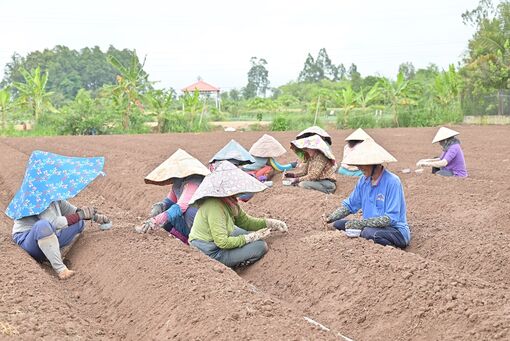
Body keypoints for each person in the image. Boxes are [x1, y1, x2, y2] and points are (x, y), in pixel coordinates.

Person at [5, 151, 110, 280]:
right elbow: (54, 223)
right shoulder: (36, 195)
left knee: (79, 222)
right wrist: (81, 215)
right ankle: (60, 269)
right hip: (29, 240)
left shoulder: (53, 197)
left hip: (48, 236)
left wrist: (95, 217)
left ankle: (56, 252)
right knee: (43, 226)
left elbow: (73, 212)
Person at [188, 161, 288, 268]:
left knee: (249, 233)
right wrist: (248, 239)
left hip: (219, 240)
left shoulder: (229, 200)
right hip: (210, 251)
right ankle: (236, 266)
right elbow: (222, 242)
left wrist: (269, 223)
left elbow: (246, 222)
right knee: (260, 246)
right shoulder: (215, 207)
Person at [326, 138, 411, 248]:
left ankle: (393, 249)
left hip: (395, 230)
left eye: (362, 164)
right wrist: (331, 217)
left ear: (375, 164)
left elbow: (389, 219)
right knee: (339, 224)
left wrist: (361, 224)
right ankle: (363, 235)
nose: (359, 167)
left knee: (370, 233)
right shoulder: (363, 181)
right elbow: (350, 205)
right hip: (370, 226)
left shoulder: (393, 182)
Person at [135, 149, 210, 244]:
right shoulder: (178, 182)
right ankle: (185, 239)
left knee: (187, 211)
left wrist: (155, 221)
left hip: (204, 224)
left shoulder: (194, 181)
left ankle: (196, 241)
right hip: (191, 222)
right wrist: (161, 206)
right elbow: (170, 201)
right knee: (166, 212)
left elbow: (181, 206)